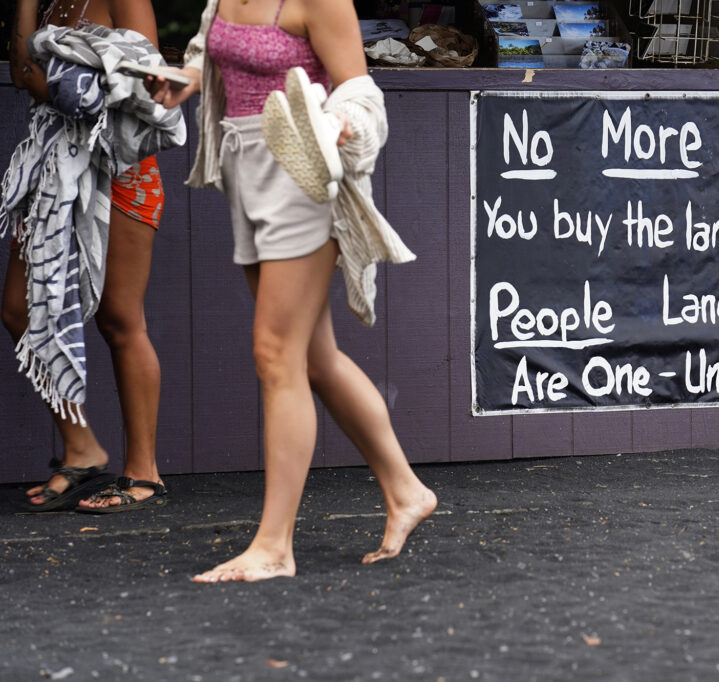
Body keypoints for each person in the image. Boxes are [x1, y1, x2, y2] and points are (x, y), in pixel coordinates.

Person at [147, 0, 436, 582]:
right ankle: (407, 491)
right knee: (313, 357)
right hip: (243, 167)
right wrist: (188, 78)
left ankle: (274, 547)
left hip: (303, 176)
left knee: (275, 354)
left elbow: (362, 92)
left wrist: (337, 122)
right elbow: (213, 49)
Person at [4, 0, 168, 512]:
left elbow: (149, 82)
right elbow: (22, 74)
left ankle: (145, 474)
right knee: (17, 307)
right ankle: (82, 448)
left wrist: (59, 78)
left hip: (120, 169)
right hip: (54, 170)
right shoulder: (50, 2)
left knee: (121, 320)